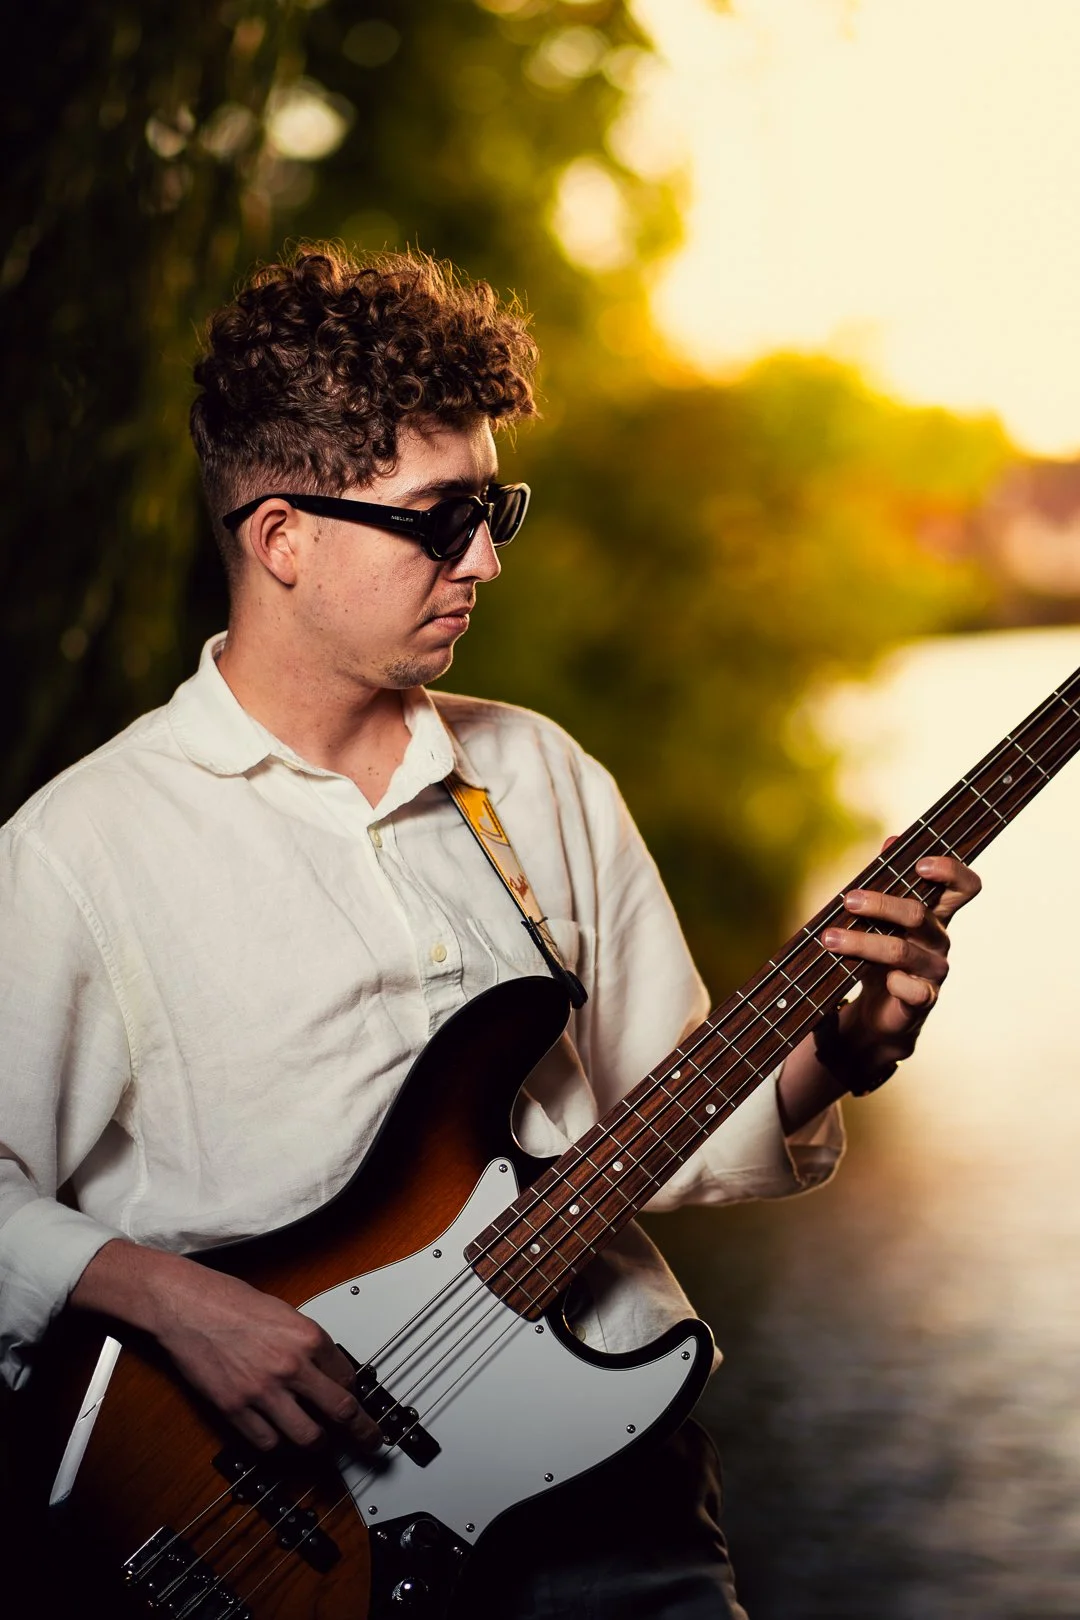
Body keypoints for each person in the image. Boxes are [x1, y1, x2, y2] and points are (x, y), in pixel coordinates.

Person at [0, 247, 979, 1617]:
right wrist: (172, 1299)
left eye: (495, 508)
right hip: (286, 1525)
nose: (488, 559)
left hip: (612, 1482)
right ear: (282, 539)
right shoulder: (83, 844)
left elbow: (660, 1116)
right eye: (441, 519)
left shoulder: (538, 774)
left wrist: (843, 1050)